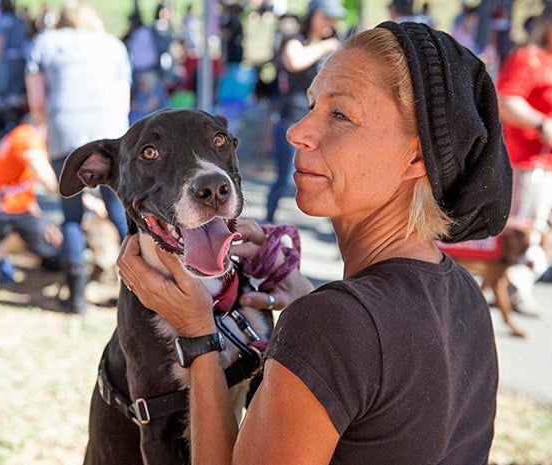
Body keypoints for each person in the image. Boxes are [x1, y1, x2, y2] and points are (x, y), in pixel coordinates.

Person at [117, 21, 511, 464]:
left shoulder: (331, 325)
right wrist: (307, 301)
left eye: (340, 115)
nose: (297, 131)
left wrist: (198, 336)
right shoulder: (465, 297)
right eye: (311, 105)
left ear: (419, 155)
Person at [25, 0, 130, 314]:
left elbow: (37, 103)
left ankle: (77, 297)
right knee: (121, 213)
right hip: (111, 135)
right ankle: (134, 293)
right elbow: (123, 102)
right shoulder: (113, 45)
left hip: (65, 133)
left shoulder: (45, 43)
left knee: (71, 215)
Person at [265, 0, 345, 223]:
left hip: (324, 126)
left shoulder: (336, 45)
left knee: (332, 180)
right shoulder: (295, 40)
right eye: (326, 16)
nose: (330, 22)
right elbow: (294, 61)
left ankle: (337, 233)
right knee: (283, 181)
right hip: (292, 120)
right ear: (313, 15)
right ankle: (267, 225)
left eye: (333, 18)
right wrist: (325, 47)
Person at [496, 6, 552, 314]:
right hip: (530, 162)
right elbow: (505, 100)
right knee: (528, 231)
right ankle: (514, 284)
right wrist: (542, 124)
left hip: (544, 165)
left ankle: (512, 283)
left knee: (537, 232)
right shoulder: (528, 57)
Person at [0, 119, 62, 284]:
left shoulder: (23, 136)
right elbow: (49, 183)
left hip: (1, 211)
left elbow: (28, 199)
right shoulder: (28, 135)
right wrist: (84, 198)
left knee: (42, 236)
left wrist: (44, 225)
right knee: (41, 241)